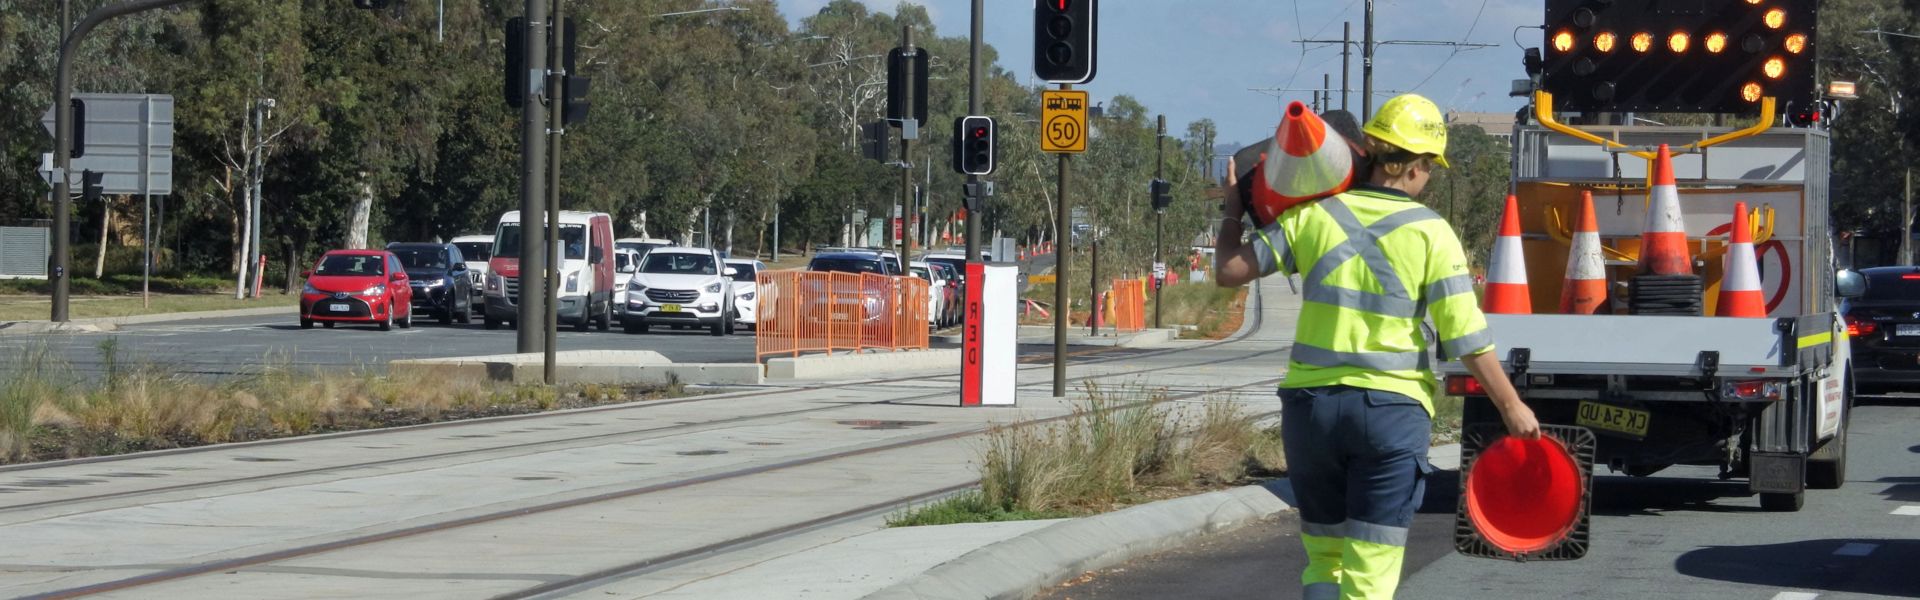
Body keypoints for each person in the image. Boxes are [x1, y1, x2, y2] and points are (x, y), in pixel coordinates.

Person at [1213, 94, 1540, 600]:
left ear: (1371, 150)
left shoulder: (1314, 216)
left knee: (1325, 558)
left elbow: (1229, 271)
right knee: (1371, 571)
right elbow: (1466, 337)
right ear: (1417, 166)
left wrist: (1235, 210)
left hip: (1312, 411)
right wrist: (1511, 405)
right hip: (1390, 413)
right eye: (1430, 167)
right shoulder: (1432, 233)